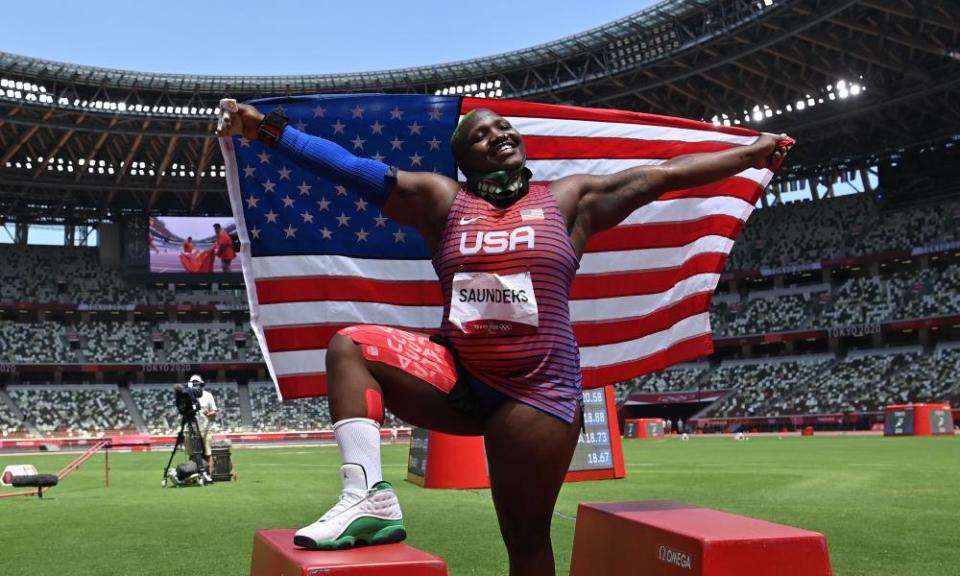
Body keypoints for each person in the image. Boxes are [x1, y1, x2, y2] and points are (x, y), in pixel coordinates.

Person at [219, 102, 790, 576]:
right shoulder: (443, 202)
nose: (497, 135)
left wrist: (751, 153)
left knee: (524, 541)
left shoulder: (569, 200)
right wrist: (264, 129)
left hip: (536, 393)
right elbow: (349, 168)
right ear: (462, 159)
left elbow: (662, 177)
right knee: (350, 346)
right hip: (459, 378)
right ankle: (366, 495)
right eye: (480, 133)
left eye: (502, 128)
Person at [184, 374, 219, 482]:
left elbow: (215, 411)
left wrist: (208, 413)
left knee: (208, 453)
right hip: (190, 428)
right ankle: (192, 476)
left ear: (201, 384)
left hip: (205, 428)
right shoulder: (186, 395)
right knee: (191, 454)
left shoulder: (208, 395)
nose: (195, 385)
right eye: (193, 383)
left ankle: (209, 476)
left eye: (196, 383)